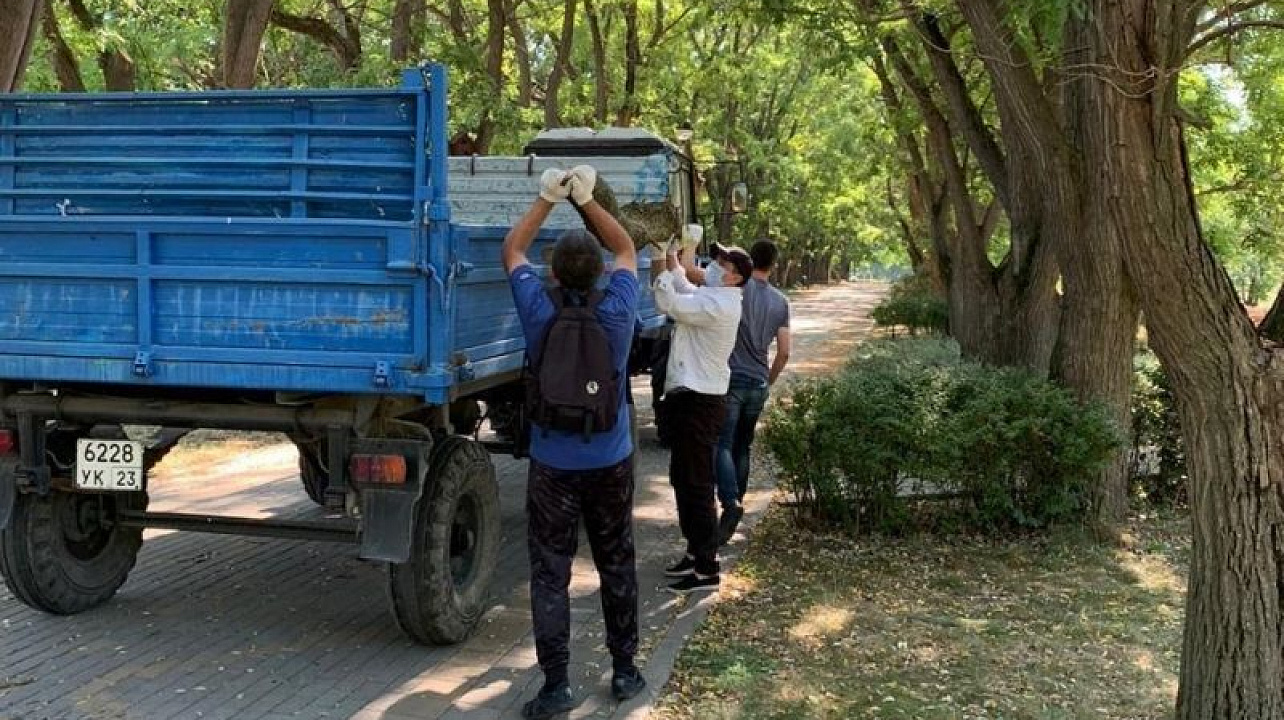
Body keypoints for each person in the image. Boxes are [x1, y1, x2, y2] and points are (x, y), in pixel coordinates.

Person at [503, 165, 646, 719]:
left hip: (551, 465)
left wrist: (546, 199)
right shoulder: (618, 308)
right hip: (610, 460)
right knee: (617, 562)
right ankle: (626, 671)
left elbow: (512, 249)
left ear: (554, 274)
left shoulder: (538, 308)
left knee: (550, 573)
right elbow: (628, 247)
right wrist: (585, 201)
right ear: (600, 274)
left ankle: (556, 685)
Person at [652, 236, 753, 595]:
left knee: (696, 484)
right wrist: (670, 256)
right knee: (683, 478)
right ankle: (696, 552)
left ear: (734, 278)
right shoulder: (713, 296)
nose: (712, 266)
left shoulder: (719, 306)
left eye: (721, 264)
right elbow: (681, 282)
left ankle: (707, 568)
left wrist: (659, 264)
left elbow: (668, 299)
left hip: (700, 402)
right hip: (690, 399)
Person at [715, 239, 791, 543]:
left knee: (722, 444)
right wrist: (768, 381)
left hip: (731, 378)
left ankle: (730, 504)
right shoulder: (780, 302)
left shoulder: (735, 289)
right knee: (743, 446)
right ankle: (738, 503)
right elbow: (784, 351)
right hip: (758, 381)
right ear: (774, 264)